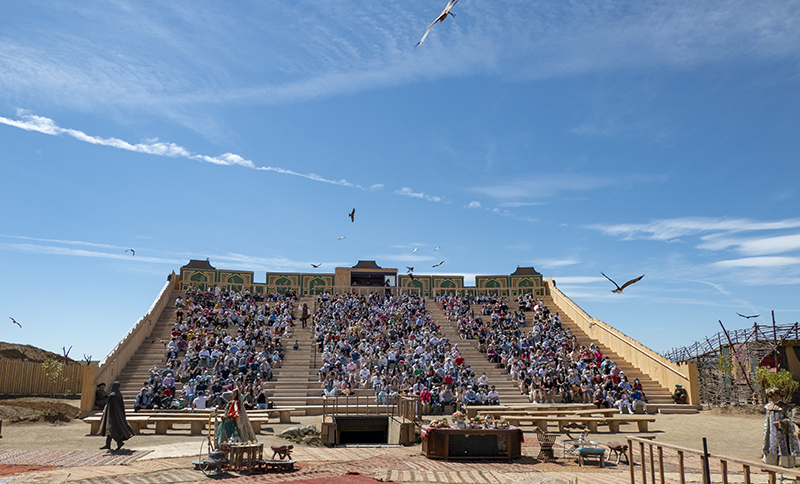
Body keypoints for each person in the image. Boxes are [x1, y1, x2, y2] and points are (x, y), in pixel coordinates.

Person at [763, 388, 800, 467]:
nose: (775, 397)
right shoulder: (768, 407)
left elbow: (789, 419)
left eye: (777, 395)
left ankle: (783, 463)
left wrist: (780, 423)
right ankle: (770, 463)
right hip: (771, 431)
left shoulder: (785, 407)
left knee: (782, 446)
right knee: (771, 446)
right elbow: (767, 420)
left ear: (780, 396)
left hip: (782, 431)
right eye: (774, 395)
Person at [99, 381, 134, 451]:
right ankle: (108, 444)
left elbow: (109, 407)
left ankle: (119, 442)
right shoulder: (119, 394)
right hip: (119, 415)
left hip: (112, 415)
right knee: (111, 430)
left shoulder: (112, 395)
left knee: (112, 430)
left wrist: (106, 415)